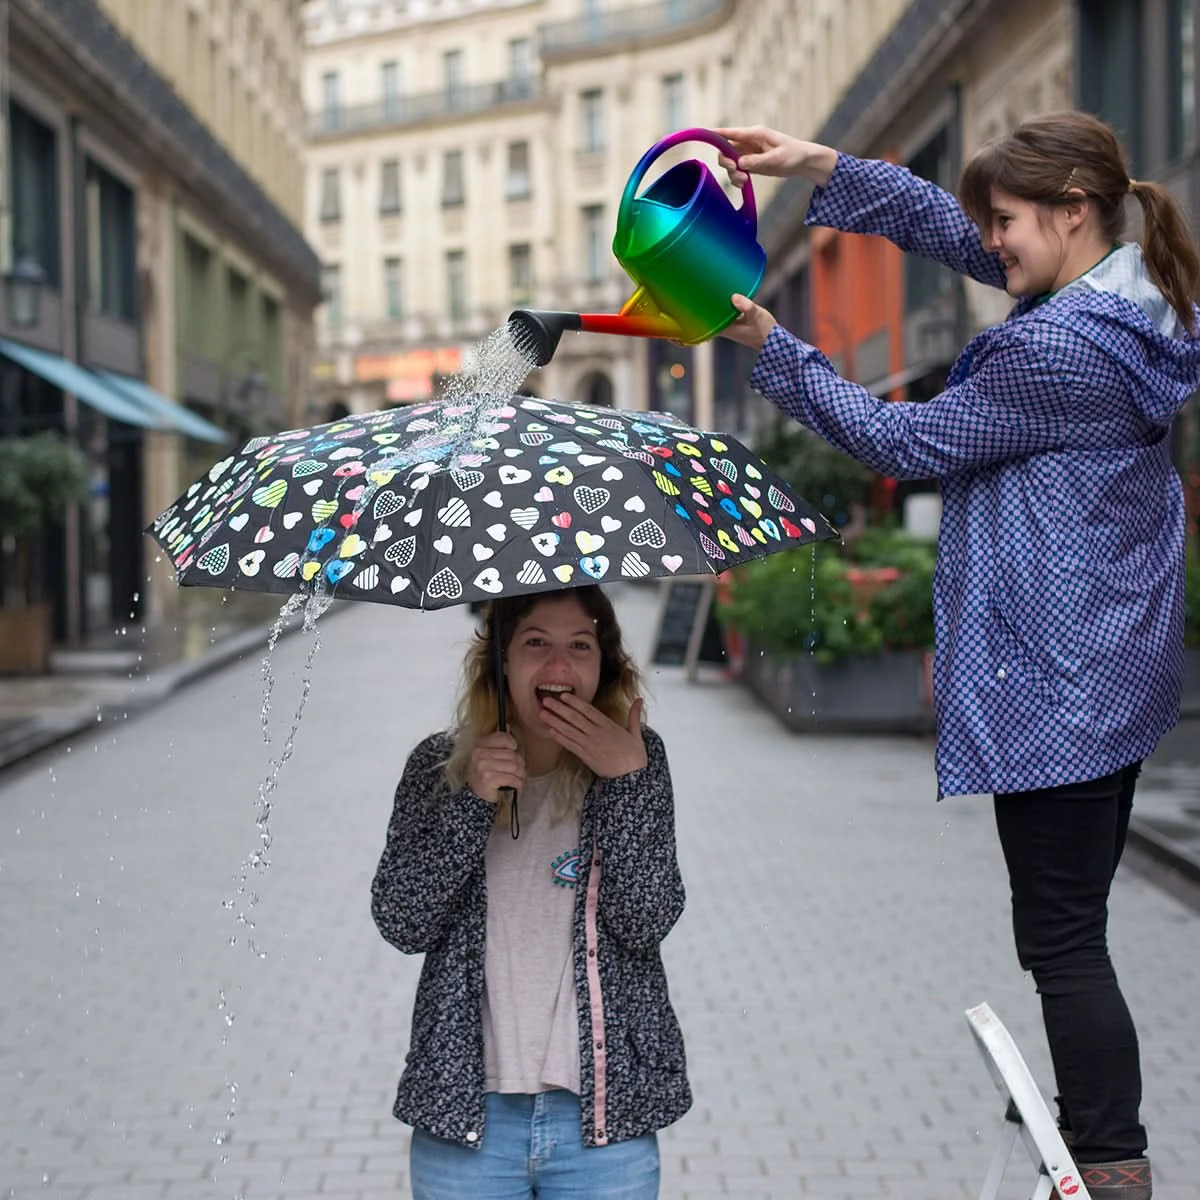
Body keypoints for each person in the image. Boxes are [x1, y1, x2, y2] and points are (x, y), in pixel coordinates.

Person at [715, 112, 1200, 1200]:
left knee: (1063, 940)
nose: (995, 242)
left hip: (1058, 686)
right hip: (1111, 673)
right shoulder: (1137, 300)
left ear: (1074, 211)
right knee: (1078, 923)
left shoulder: (1055, 351)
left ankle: (1112, 1162)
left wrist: (770, 348)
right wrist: (826, 169)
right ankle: (1093, 1126)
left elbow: (903, 442)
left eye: (1013, 221)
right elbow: (971, 238)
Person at [371, 584, 690, 1199]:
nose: (559, 666)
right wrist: (472, 804)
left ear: (606, 664)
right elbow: (402, 921)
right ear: (501, 659)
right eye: (536, 643)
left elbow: (646, 920)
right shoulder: (437, 767)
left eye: (580, 645)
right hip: (468, 1121)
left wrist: (625, 783)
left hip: (601, 1124)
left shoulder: (637, 759)